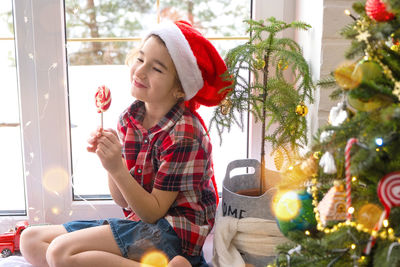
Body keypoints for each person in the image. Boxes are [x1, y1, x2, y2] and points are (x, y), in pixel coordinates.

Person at [20, 20, 231, 267]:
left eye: (157, 69)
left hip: (174, 236)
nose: (140, 71)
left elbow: (153, 212)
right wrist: (111, 161)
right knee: (31, 241)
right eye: (140, 59)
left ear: (179, 90)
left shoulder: (184, 133)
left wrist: (116, 167)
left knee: (59, 253)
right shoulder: (130, 118)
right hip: (140, 224)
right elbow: (123, 201)